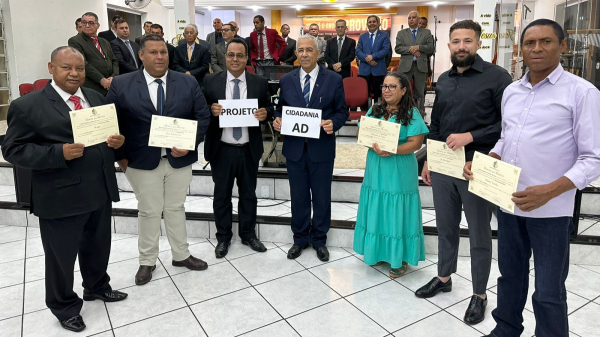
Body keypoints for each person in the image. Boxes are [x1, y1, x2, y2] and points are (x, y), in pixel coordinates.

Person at [466, 19, 600, 337]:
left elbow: (593, 158)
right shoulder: (512, 91)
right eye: (530, 43)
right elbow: (506, 139)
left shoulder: (583, 93)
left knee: (549, 290)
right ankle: (506, 329)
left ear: (563, 46)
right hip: (509, 202)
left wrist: (550, 190)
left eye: (546, 42)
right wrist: (490, 159)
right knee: (510, 277)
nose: (536, 48)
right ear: (521, 49)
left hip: (551, 212)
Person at [1, 46, 127, 333]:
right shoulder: (28, 105)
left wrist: (117, 143)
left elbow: (105, 136)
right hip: (60, 196)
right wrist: (57, 153)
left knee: (98, 246)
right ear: (51, 68)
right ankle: (64, 306)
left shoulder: (96, 98)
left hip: (98, 189)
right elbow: (12, 149)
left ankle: (96, 286)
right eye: (66, 67)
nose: (74, 73)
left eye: (79, 68)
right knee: (61, 257)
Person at [416, 20, 513, 325]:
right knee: (446, 226)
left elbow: (507, 125)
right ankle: (444, 277)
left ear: (478, 43)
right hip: (444, 166)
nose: (461, 47)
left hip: (479, 166)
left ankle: (480, 294)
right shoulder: (443, 79)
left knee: (479, 234)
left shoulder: (498, 77)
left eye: (467, 41)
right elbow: (436, 126)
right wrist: (429, 159)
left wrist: (471, 136)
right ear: (448, 46)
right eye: (456, 41)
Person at [106, 34, 211, 285]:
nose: (160, 57)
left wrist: (189, 145)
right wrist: (120, 158)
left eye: (163, 52)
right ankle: (147, 261)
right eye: (153, 52)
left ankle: (181, 255)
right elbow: (111, 124)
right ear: (141, 55)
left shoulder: (188, 83)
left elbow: (203, 116)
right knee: (149, 211)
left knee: (176, 207)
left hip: (179, 161)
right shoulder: (121, 84)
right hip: (141, 162)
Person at [273, 36, 348, 261]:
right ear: (296, 54)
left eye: (309, 50)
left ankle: (319, 239)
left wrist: (333, 123)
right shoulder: (285, 80)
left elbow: (342, 112)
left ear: (317, 54)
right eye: (300, 50)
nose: (304, 54)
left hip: (321, 148)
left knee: (322, 196)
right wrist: (277, 121)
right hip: (295, 149)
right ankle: (300, 238)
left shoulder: (333, 80)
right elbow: (280, 110)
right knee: (298, 196)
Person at [353, 72, 429, 277]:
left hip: (399, 167)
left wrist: (392, 148)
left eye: (392, 86)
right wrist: (375, 146)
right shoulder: (374, 109)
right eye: (384, 86)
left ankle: (399, 258)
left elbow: (416, 143)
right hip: (376, 165)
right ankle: (377, 251)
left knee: (397, 211)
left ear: (404, 90)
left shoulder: (412, 113)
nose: (386, 90)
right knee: (377, 207)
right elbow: (361, 133)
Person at [203, 38, 273, 258]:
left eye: (239, 55)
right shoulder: (211, 80)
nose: (235, 59)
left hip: (248, 148)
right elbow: (199, 109)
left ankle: (248, 234)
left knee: (248, 195)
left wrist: (266, 114)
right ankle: (223, 238)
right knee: (221, 195)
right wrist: (210, 111)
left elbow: (269, 108)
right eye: (231, 55)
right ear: (225, 57)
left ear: (246, 58)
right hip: (221, 149)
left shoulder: (259, 82)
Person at [68, 12, 119, 96]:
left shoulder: (104, 41)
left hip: (111, 85)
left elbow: (114, 61)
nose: (87, 25)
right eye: (84, 22)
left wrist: (113, 77)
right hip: (92, 87)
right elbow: (83, 63)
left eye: (91, 23)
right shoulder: (75, 41)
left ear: (97, 25)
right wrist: (101, 80)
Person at [395, 11, 434, 113]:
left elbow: (431, 48)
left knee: (419, 93)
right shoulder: (401, 33)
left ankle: (419, 115)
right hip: (405, 67)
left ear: (418, 19)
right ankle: (402, 113)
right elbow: (398, 48)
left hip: (420, 67)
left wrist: (418, 47)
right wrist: (410, 49)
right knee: (403, 91)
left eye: (413, 17)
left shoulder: (426, 32)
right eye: (409, 18)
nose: (411, 19)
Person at [356, 15, 390, 111]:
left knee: (378, 95)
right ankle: (364, 115)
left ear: (378, 23)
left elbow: (386, 50)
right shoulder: (362, 36)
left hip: (378, 70)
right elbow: (358, 51)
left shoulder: (384, 35)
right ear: (367, 24)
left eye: (374, 21)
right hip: (364, 71)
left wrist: (373, 56)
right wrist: (367, 58)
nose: (372, 24)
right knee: (363, 95)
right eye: (370, 22)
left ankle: (378, 114)